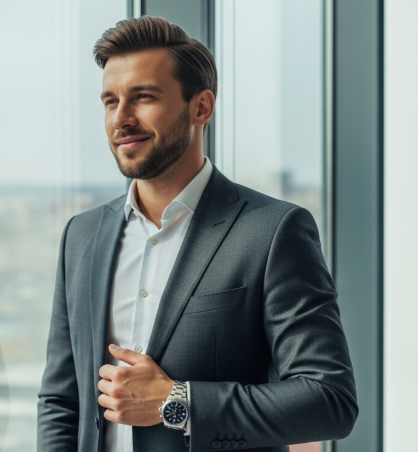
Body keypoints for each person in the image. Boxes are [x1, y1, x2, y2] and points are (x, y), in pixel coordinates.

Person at [37, 16, 357, 452]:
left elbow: (329, 401)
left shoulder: (273, 230)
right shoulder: (82, 234)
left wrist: (176, 402)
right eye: (110, 102)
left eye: (143, 97)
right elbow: (62, 400)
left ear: (201, 107)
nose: (121, 119)